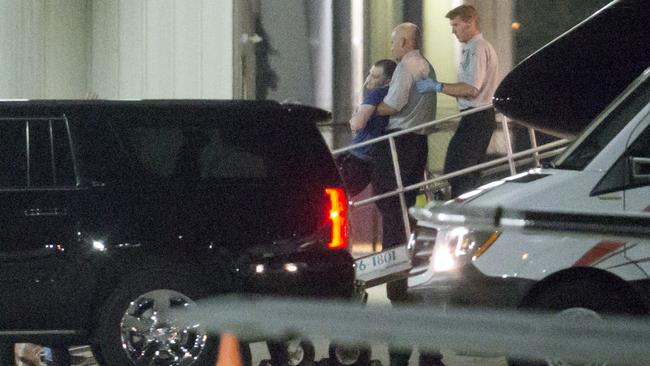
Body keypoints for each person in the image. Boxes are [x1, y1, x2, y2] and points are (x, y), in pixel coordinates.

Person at [373, 22, 441, 366]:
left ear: (403, 41)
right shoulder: (427, 65)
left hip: (401, 143)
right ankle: (406, 246)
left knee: (389, 201)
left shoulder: (405, 67)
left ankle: (394, 253)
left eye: (393, 42)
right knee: (406, 202)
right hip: (419, 144)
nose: (393, 47)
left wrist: (370, 104)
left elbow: (394, 104)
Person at [416, 4, 499, 198]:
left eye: (456, 25)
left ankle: (462, 215)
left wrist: (437, 86)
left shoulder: (476, 48)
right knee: (464, 172)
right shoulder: (477, 47)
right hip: (478, 117)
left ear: (470, 22)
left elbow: (471, 88)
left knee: (458, 171)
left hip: (475, 116)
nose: (453, 31)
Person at [336, 59, 397, 196]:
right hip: (373, 159)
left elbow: (358, 124)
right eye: (370, 74)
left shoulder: (376, 94)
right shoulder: (394, 95)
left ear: (387, 81)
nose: (368, 79)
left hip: (359, 156)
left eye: (375, 77)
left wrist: (354, 119)